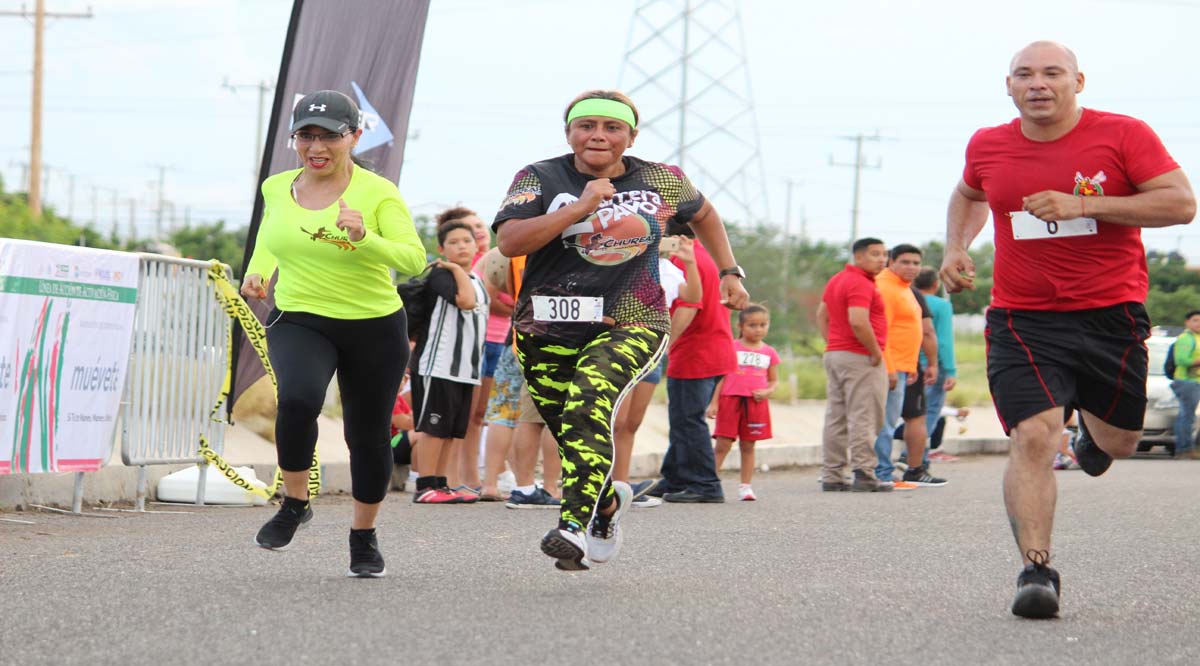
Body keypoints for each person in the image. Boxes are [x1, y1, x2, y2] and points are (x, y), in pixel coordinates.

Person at [939, 41, 1195, 619]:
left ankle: (1092, 440)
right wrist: (957, 246)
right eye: (1024, 75)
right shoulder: (988, 143)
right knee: (1032, 435)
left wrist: (1087, 205)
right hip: (1022, 317)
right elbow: (970, 193)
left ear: (1077, 81)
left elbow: (1181, 205)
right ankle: (1037, 570)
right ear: (1009, 87)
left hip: (1109, 314)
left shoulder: (1123, 135)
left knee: (1118, 443)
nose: (1038, 84)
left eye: (1052, 73)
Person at [494, 89, 749, 570]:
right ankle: (607, 505)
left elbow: (706, 215)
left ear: (631, 136)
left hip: (632, 318)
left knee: (589, 403)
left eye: (612, 128)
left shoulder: (660, 179)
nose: (598, 136)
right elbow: (509, 242)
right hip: (546, 325)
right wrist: (577, 207)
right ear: (568, 132)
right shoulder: (539, 177)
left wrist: (731, 271)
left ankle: (573, 527)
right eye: (586, 125)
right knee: (573, 431)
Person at [242, 89, 427, 577]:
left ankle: (363, 536)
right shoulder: (277, 186)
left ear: (354, 137)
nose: (316, 146)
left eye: (329, 136)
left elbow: (413, 260)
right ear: (295, 139)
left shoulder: (377, 192)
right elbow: (271, 237)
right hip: (300, 315)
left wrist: (365, 238)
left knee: (365, 436)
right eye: (306, 135)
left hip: (374, 324)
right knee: (299, 399)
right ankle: (296, 502)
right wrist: (258, 271)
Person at [612, 233, 702, 508]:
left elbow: (693, 297)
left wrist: (691, 263)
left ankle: (621, 487)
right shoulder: (622, 262)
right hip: (623, 347)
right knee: (614, 422)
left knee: (631, 425)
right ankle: (599, 485)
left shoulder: (669, 269)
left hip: (652, 353)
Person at [409, 221, 490, 504]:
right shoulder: (443, 276)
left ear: (477, 244)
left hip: (466, 370)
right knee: (433, 428)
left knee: (451, 430)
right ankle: (424, 485)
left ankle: (441, 485)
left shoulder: (478, 280)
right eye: (454, 242)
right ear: (442, 249)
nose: (462, 246)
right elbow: (465, 302)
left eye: (466, 241)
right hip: (438, 364)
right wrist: (456, 269)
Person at [816, 238, 890, 492]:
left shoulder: (837, 279)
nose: (882, 259)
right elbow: (858, 320)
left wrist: (834, 343)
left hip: (836, 354)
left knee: (836, 416)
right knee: (865, 415)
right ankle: (865, 472)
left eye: (884, 254)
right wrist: (874, 352)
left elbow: (821, 315)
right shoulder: (861, 283)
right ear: (858, 257)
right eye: (875, 254)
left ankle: (832, 475)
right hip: (860, 357)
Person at [873, 244, 944, 489]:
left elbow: (911, 332)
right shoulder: (886, 287)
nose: (912, 267)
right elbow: (882, 333)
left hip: (905, 365)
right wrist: (891, 367)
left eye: (916, 263)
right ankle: (882, 472)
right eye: (905, 262)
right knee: (885, 421)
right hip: (889, 367)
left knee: (891, 419)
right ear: (891, 261)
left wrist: (913, 363)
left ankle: (885, 470)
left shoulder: (906, 290)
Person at [707, 304, 779, 501]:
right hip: (730, 400)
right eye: (752, 325)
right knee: (723, 444)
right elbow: (720, 378)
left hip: (756, 404)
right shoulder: (731, 347)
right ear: (740, 326)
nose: (758, 329)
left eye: (763, 324)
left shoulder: (769, 352)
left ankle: (745, 487)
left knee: (748, 445)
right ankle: (709, 482)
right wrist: (714, 403)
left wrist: (767, 391)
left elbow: (773, 380)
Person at [1170, 310, 1200, 459]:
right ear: (1187, 323)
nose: (1198, 323)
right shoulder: (1185, 338)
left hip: (1196, 382)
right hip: (1187, 382)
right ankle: (1184, 449)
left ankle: (1192, 447)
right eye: (1195, 320)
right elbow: (1181, 360)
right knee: (1186, 416)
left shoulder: (1197, 338)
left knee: (1190, 416)